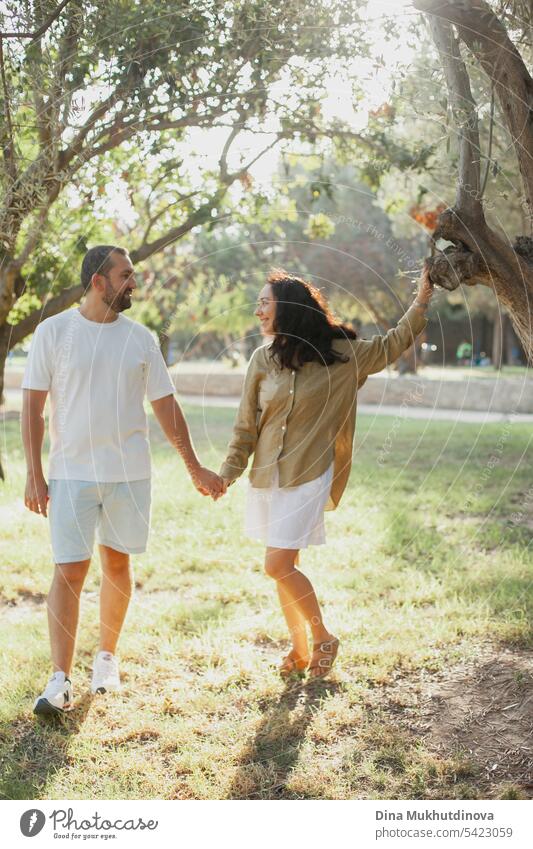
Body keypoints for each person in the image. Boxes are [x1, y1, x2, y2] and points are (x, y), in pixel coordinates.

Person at [22, 245, 224, 717]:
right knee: (69, 571)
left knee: (116, 566)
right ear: (98, 281)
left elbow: (167, 408)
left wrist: (195, 467)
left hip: (129, 475)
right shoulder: (54, 332)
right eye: (125, 275)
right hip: (71, 475)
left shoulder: (140, 339)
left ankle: (106, 660)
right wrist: (34, 474)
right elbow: (31, 410)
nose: (134, 282)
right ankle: (59, 681)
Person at [219, 266, 432, 680]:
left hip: (310, 472)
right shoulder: (261, 359)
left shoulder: (344, 354)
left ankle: (323, 638)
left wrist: (421, 300)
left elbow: (395, 342)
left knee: (277, 564)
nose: (258, 310)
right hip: (268, 475)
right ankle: (299, 648)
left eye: (265, 302)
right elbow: (246, 425)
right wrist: (228, 473)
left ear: (289, 308)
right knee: (286, 562)